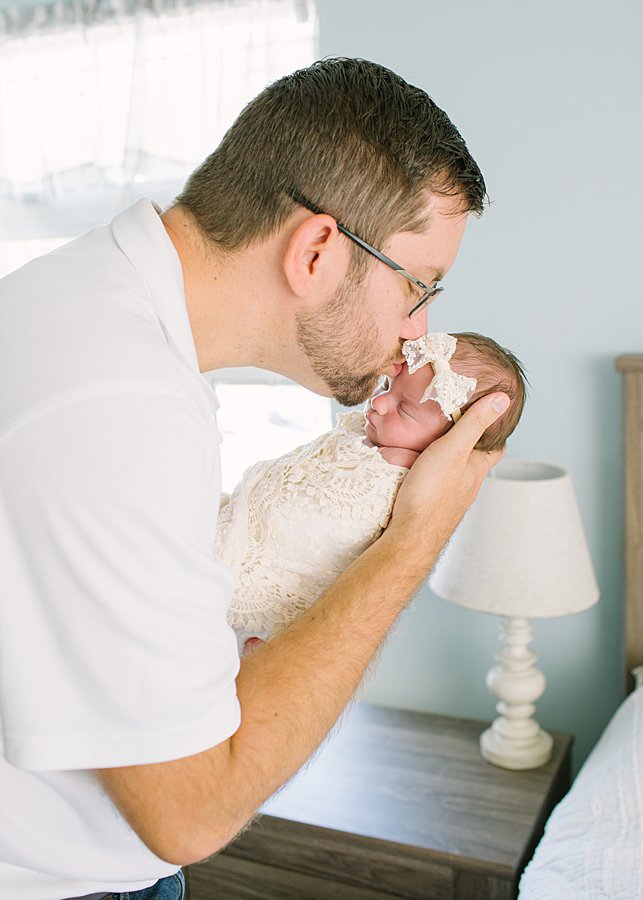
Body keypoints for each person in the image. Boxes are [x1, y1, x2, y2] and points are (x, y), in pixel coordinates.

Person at [0, 57, 511, 898]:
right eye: (419, 289)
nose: (421, 332)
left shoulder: (102, 312)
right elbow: (191, 814)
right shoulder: (118, 405)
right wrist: (418, 535)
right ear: (315, 250)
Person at [217, 332, 526, 654]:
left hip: (265, 585)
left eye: (404, 410)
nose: (378, 402)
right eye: (386, 386)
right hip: (237, 526)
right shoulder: (365, 432)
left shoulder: (409, 472)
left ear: (451, 441)